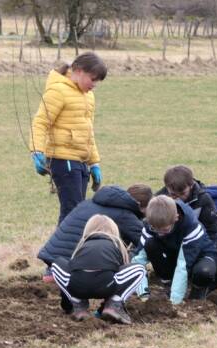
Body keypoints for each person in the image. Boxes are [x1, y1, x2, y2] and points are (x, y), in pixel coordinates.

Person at [30, 53, 108, 225]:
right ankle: (60, 252)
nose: (94, 85)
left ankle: (65, 250)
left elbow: (88, 132)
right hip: (62, 158)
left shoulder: (88, 96)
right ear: (79, 71)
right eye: (92, 79)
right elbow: (40, 122)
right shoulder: (58, 91)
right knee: (73, 211)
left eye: (98, 82)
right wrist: (37, 151)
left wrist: (94, 163)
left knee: (78, 209)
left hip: (80, 160)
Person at [49, 215, 147, 324]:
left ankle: (77, 304)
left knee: (56, 263)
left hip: (78, 286)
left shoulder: (82, 245)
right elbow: (120, 278)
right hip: (106, 285)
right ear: (114, 230)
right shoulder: (115, 244)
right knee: (140, 269)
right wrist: (103, 310)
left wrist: (67, 306)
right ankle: (114, 304)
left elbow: (71, 270)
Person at [38, 185, 152, 276]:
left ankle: (53, 274)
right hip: (77, 265)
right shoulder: (125, 215)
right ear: (140, 206)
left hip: (53, 257)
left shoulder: (89, 203)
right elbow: (147, 242)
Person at [132, 195, 217, 304]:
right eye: (155, 229)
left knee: (204, 272)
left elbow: (183, 265)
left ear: (176, 218)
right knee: (150, 244)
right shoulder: (150, 225)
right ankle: (168, 283)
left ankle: (198, 289)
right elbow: (138, 260)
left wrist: (174, 302)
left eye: (164, 229)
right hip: (174, 255)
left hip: (199, 256)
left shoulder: (191, 226)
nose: (159, 233)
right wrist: (143, 294)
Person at [156, 165, 217, 239]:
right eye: (173, 194)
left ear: (191, 185)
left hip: (196, 241)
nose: (178, 198)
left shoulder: (203, 200)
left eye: (182, 193)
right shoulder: (159, 199)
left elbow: (212, 230)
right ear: (167, 187)